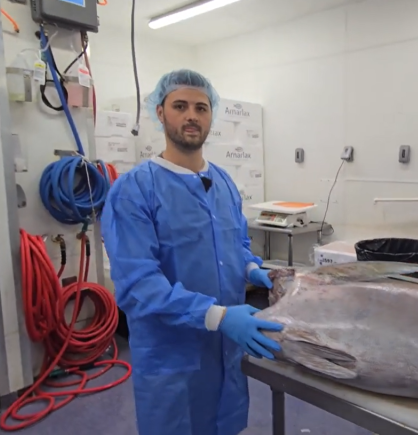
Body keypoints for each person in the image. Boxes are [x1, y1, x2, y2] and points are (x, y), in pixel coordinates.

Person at [101, 69, 284, 435]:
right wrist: (217, 315)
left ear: (211, 116)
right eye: (180, 106)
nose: (191, 116)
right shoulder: (135, 190)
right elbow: (138, 285)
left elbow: (236, 246)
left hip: (224, 350)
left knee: (224, 423)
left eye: (201, 108)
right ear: (160, 112)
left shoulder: (224, 184)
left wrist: (252, 270)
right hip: (172, 354)